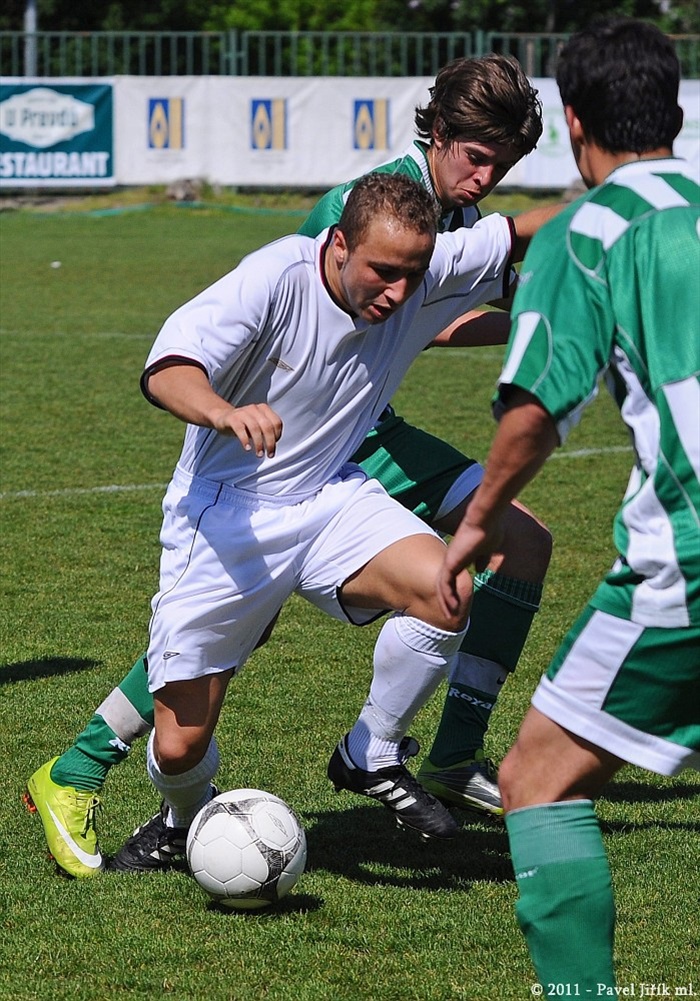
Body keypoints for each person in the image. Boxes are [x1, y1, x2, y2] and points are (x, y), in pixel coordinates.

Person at [25, 54, 555, 877]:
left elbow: (458, 283)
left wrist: (641, 202)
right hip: (265, 473)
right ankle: (120, 784)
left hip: (336, 467)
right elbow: (196, 356)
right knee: (202, 699)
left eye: (504, 166)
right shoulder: (330, 231)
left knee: (476, 562)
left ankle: (389, 752)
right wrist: (226, 410)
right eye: (478, 158)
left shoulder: (435, 241)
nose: (487, 179)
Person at [101, 170, 532, 875]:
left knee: (446, 587)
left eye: (412, 274)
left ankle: (373, 750)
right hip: (225, 516)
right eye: (382, 272)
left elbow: (517, 229)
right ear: (338, 244)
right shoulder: (275, 275)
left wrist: (632, 191)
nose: (398, 293)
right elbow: (166, 367)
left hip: (331, 496)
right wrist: (224, 411)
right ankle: (182, 822)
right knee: (179, 745)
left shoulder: (420, 272)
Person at [437, 18, 699, 993]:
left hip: (691, 551)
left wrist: (474, 524)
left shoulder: (590, 227)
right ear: (671, 112)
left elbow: (537, 408)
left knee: (536, 781)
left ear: (576, 122)